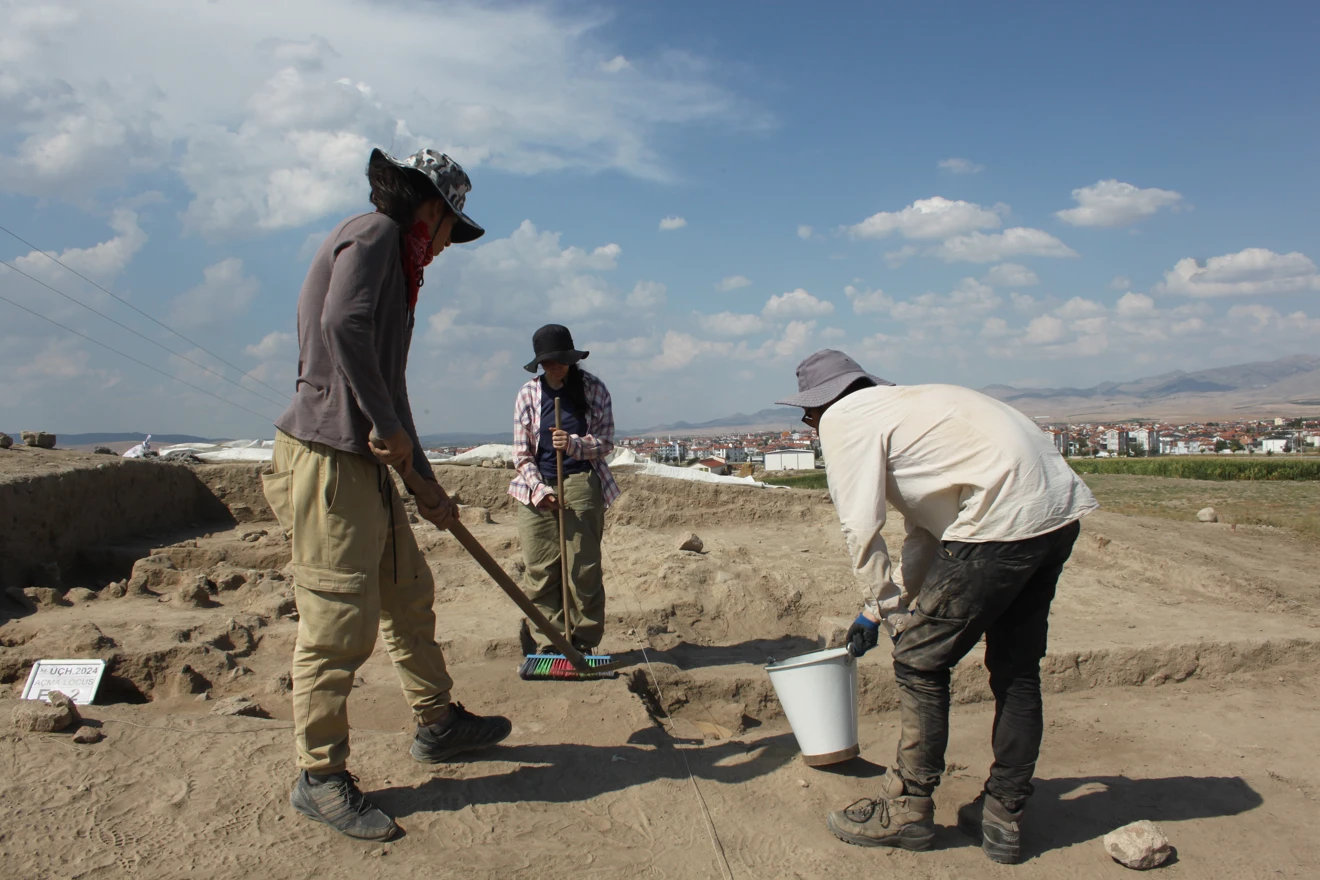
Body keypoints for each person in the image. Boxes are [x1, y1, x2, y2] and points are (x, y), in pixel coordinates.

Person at [263, 147, 511, 841]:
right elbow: (345, 330)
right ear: (428, 209)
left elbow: (390, 392)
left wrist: (425, 485)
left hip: (365, 460)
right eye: (448, 229)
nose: (445, 246)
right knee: (340, 623)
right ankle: (318, 777)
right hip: (328, 458)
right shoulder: (374, 234)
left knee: (407, 593)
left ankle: (438, 722)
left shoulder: (400, 270)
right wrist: (388, 432)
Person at [776, 349, 1098, 864]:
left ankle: (906, 810)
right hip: (1054, 516)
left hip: (1000, 523)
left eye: (808, 413)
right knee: (1016, 669)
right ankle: (1004, 813)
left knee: (919, 660)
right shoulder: (906, 408)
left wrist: (890, 607)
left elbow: (860, 525)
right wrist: (879, 610)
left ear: (819, 406)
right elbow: (928, 532)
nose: (809, 422)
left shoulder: (843, 419)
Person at [508, 324, 620, 654]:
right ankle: (550, 644)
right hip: (536, 488)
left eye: (559, 361)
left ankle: (583, 644)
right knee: (541, 570)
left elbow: (605, 442)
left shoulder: (594, 390)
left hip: (580, 482)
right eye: (547, 363)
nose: (553, 368)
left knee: (582, 570)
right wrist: (539, 490)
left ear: (571, 359)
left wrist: (573, 444)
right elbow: (520, 452)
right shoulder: (528, 394)